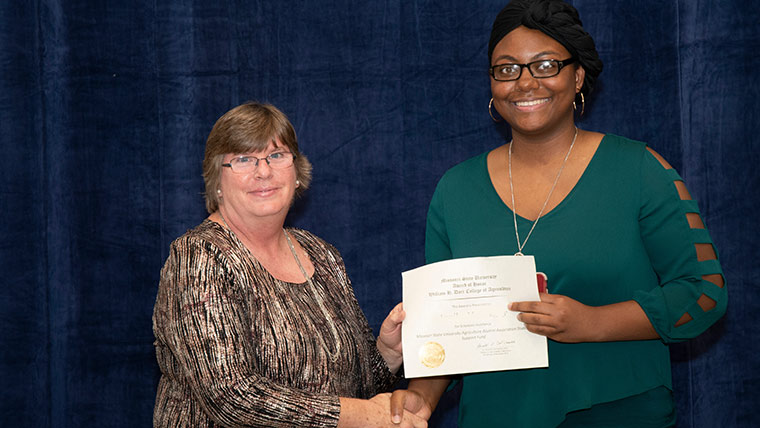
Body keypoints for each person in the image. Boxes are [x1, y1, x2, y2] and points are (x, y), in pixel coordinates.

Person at [390, 0, 727, 427]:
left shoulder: (640, 170)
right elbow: (449, 329)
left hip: (618, 413)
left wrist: (591, 322)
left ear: (578, 75)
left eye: (546, 65)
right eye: (507, 68)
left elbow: (704, 293)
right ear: (492, 84)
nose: (525, 83)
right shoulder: (454, 190)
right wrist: (421, 395)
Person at [152, 102, 426, 428]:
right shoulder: (199, 257)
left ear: (297, 173)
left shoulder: (321, 254)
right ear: (217, 182)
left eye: (277, 156)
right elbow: (230, 396)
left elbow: (353, 390)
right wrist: (358, 417)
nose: (263, 171)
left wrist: (388, 353)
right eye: (243, 159)